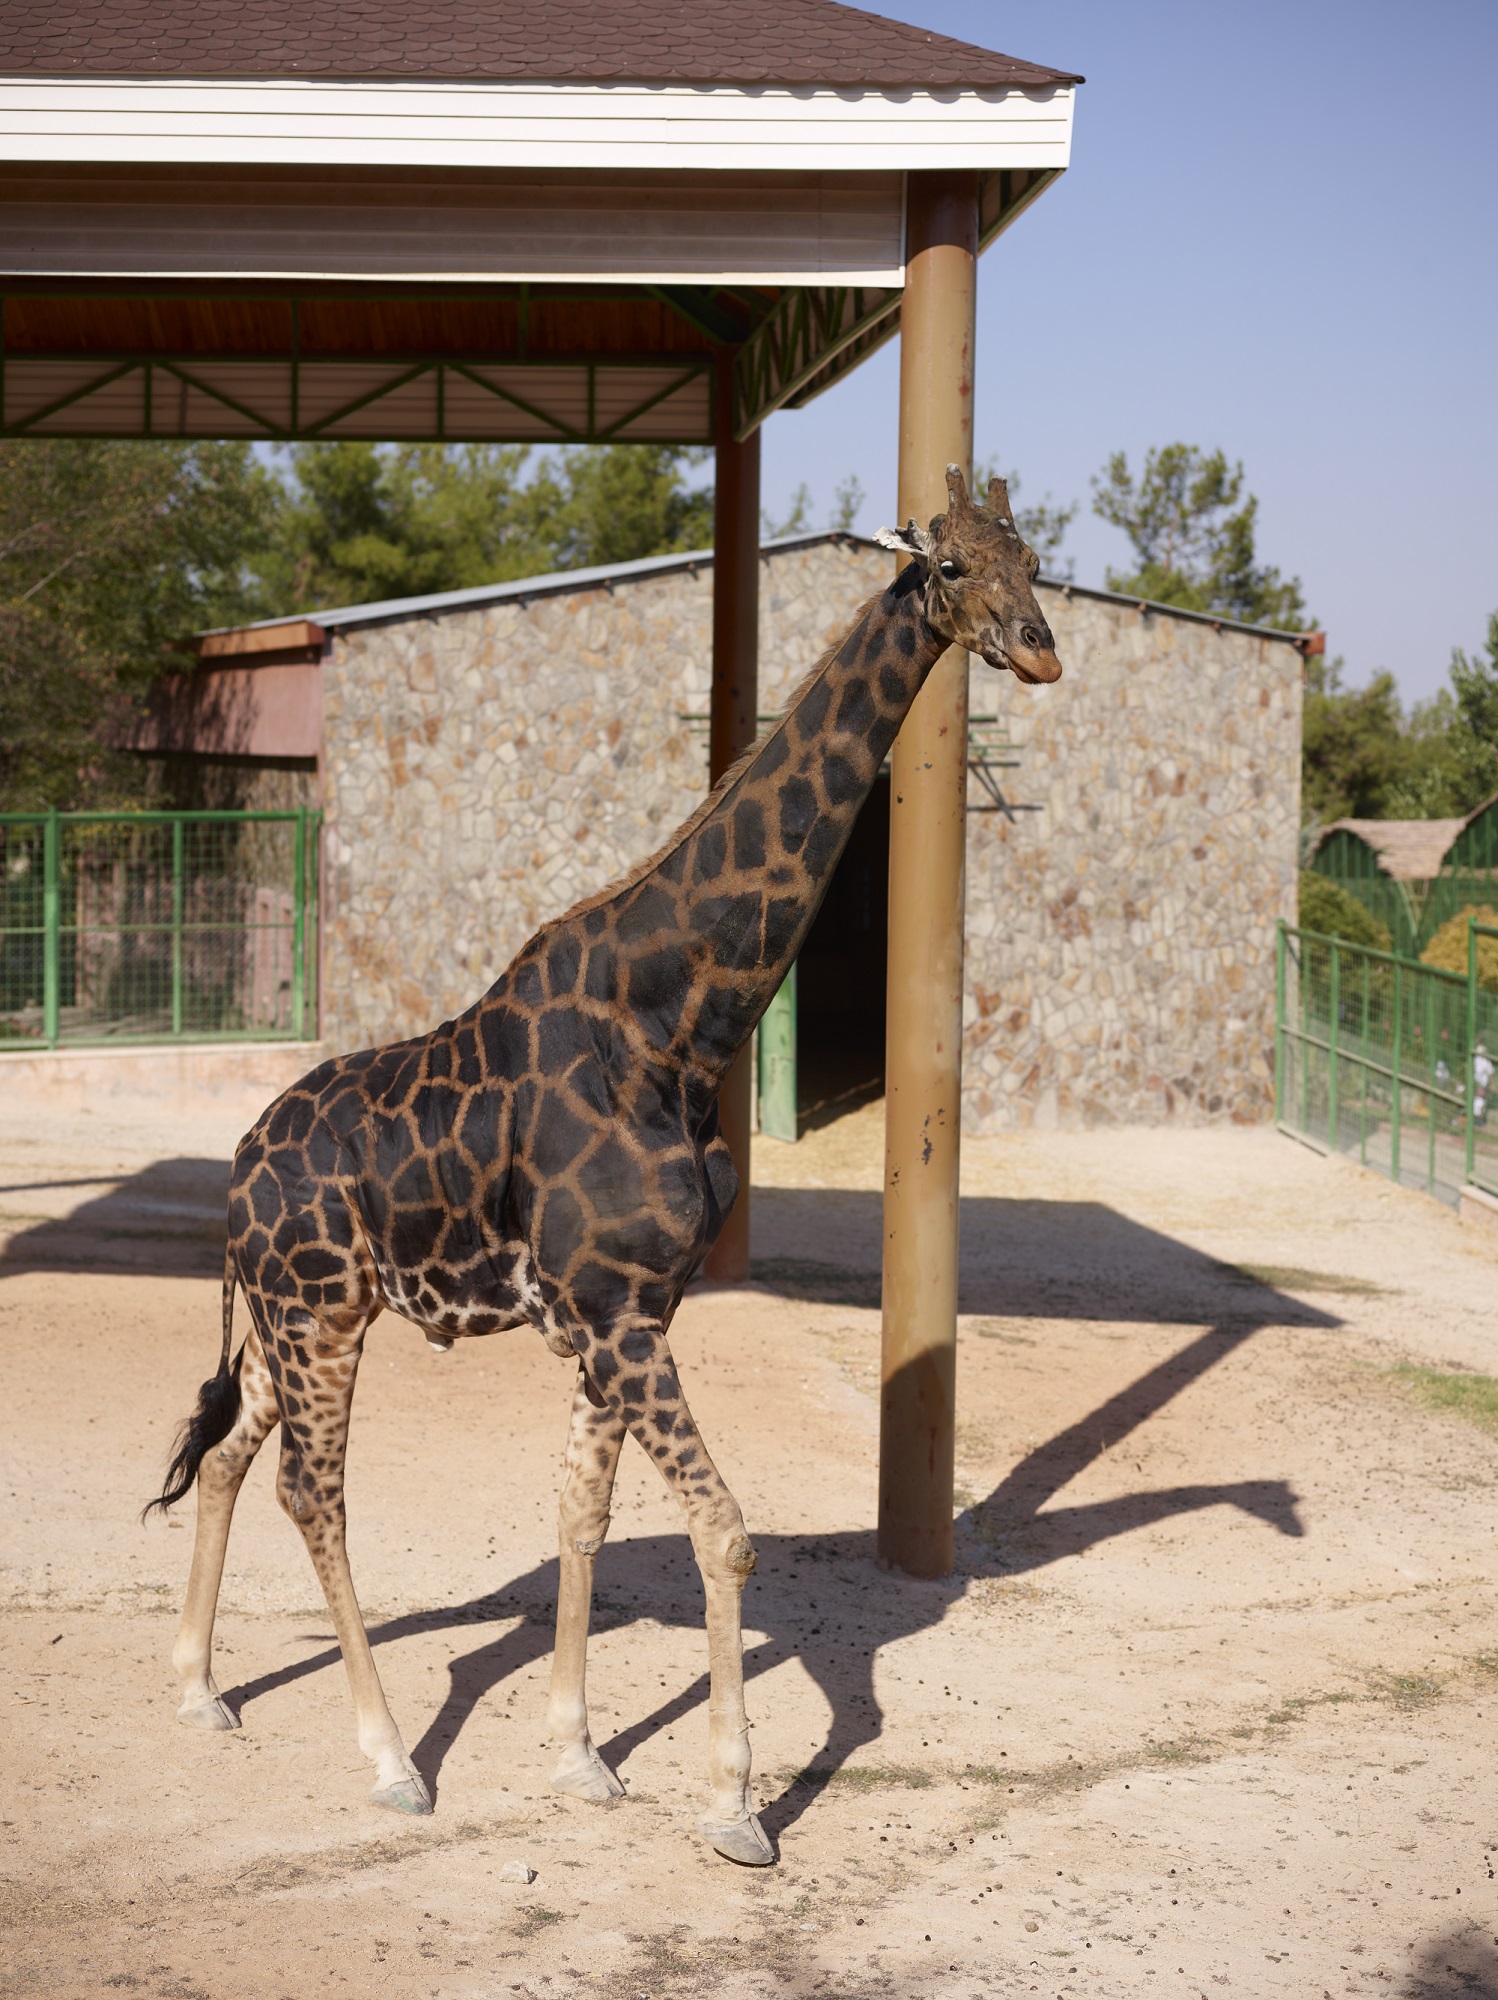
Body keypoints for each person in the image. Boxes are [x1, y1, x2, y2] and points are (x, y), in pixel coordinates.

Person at [1474, 1042, 1493, 1125]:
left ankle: (1479, 1119)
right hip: (1477, 1084)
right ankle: (1477, 1119)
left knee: (1481, 1101)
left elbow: (1490, 1073)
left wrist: (1492, 1084)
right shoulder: (1476, 1059)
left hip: (1483, 1085)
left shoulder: (1486, 1061)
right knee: (1479, 1101)